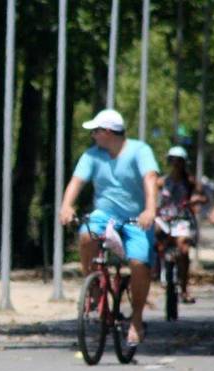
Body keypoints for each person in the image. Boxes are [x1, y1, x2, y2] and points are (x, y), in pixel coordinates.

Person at [59, 109, 159, 346]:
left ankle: (136, 319)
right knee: (86, 237)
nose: (92, 136)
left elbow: (150, 179)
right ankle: (92, 287)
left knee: (138, 264)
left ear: (108, 133)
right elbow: (76, 182)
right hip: (104, 215)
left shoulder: (140, 151)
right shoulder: (92, 156)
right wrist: (66, 206)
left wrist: (150, 210)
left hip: (136, 219)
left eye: (95, 131)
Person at [155, 146, 206, 304]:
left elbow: (203, 197)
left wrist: (195, 200)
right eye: (173, 161)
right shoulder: (162, 182)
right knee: (154, 238)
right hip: (164, 219)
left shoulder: (190, 182)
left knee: (183, 249)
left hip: (182, 219)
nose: (176, 164)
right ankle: (156, 271)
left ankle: (183, 288)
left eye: (179, 161)